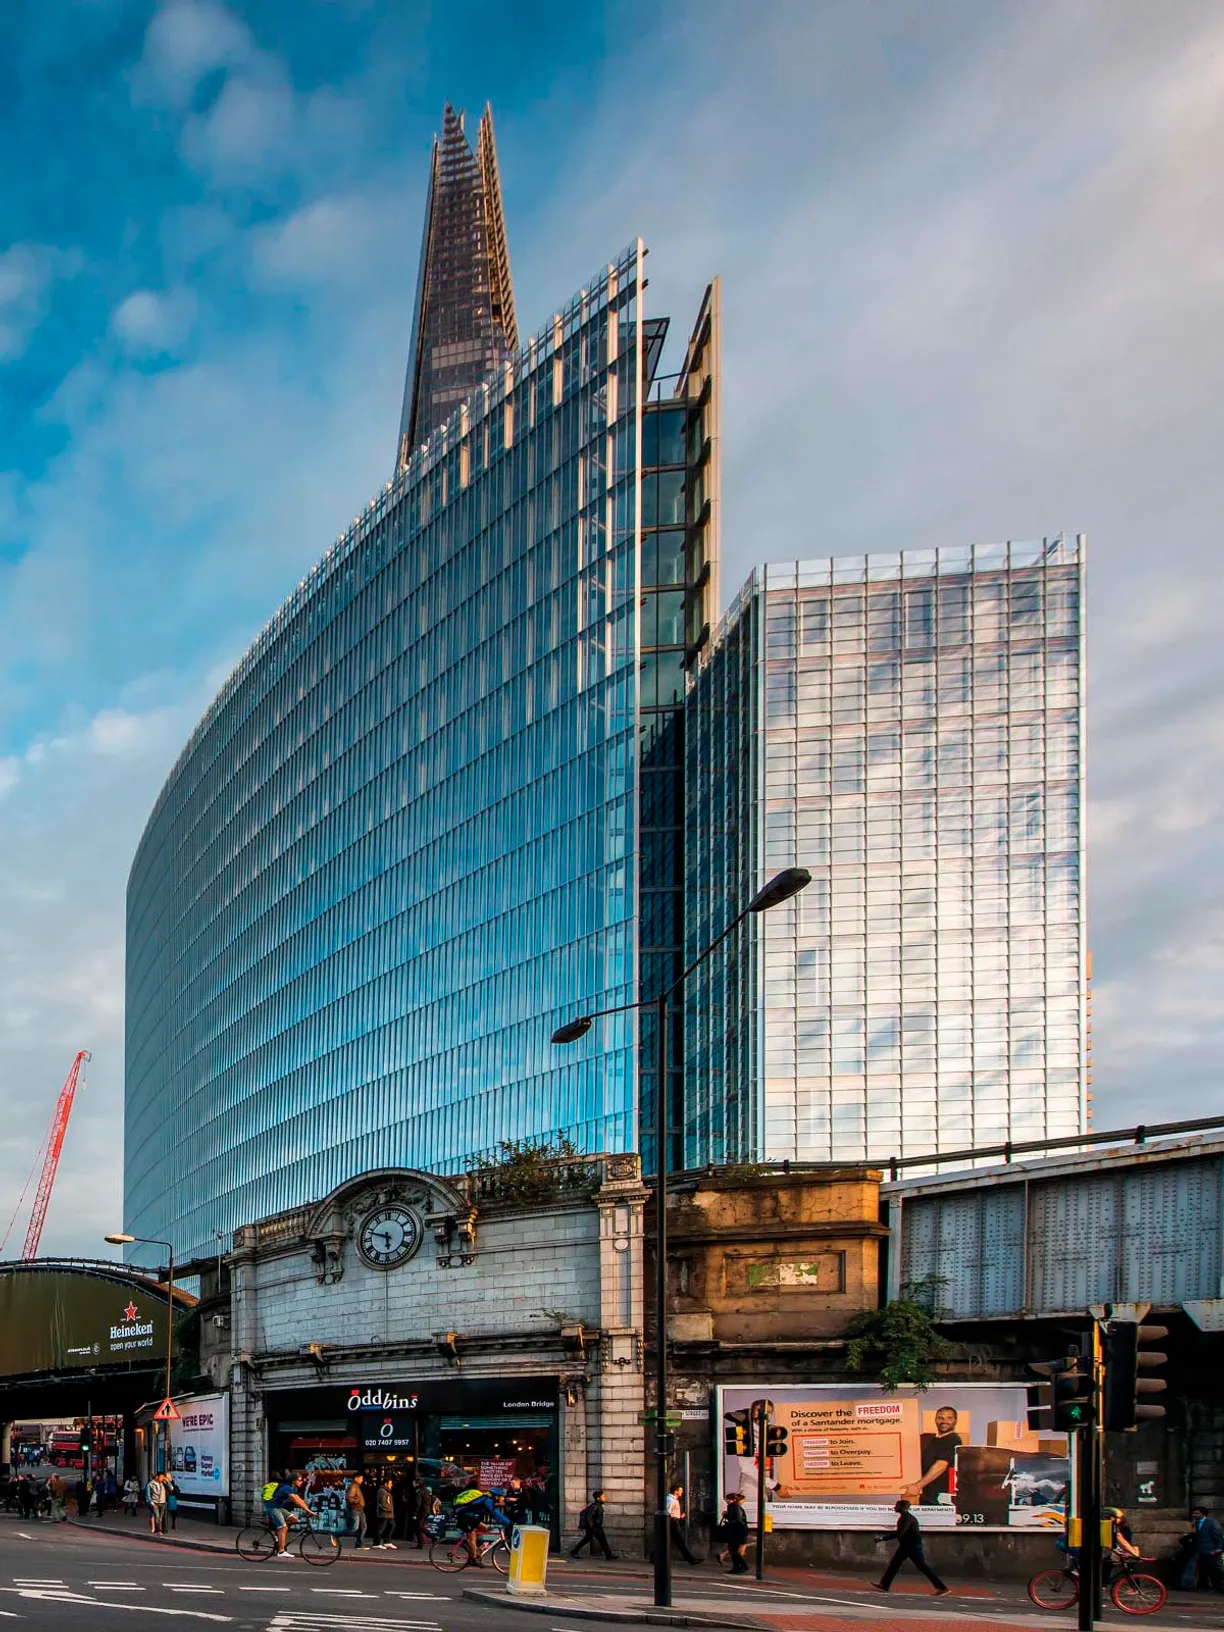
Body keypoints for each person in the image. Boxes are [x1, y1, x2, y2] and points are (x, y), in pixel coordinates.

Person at [872, 1499, 950, 1595]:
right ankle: (884, 1584)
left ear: (901, 1507)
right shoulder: (905, 1517)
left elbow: (900, 1533)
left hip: (912, 1547)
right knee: (894, 1564)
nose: (894, 1508)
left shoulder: (907, 1519)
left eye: (896, 1506)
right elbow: (900, 1533)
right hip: (906, 1546)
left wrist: (882, 1538)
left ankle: (942, 1588)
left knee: (922, 1567)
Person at [908, 1406, 963, 1506]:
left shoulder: (952, 1439)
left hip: (941, 1497)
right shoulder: (934, 1440)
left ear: (955, 1421)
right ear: (936, 1420)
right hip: (928, 1494)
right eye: (940, 1418)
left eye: (949, 1418)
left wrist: (918, 1486)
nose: (944, 1421)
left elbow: (940, 1466)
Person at [453, 1478, 512, 1564]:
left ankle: (477, 1549)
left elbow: (494, 1512)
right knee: (472, 1535)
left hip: (470, 1515)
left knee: (485, 1528)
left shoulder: (488, 1499)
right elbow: (495, 1513)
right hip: (463, 1515)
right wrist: (509, 1523)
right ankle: (472, 1560)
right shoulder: (487, 1500)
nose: (503, 1498)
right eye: (502, 1496)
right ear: (496, 1496)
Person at [264, 1472, 313, 1560]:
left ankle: (277, 1534)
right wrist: (309, 1511)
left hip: (278, 1508)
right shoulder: (286, 1488)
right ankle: (281, 1551)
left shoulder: (292, 1489)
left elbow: (300, 1500)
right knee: (284, 1527)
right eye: (300, 1480)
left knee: (294, 1519)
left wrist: (309, 1510)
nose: (302, 1482)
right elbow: (296, 1501)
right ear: (294, 1481)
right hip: (272, 1508)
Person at [1179, 1507, 1224, 1592]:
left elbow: (1219, 1536)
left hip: (1211, 1549)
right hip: (1199, 1549)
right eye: (1193, 1513)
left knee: (1217, 1568)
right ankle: (1189, 1585)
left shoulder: (1212, 1522)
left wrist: (1218, 1548)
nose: (1194, 1515)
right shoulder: (1195, 1522)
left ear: (1203, 1514)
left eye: (1197, 1513)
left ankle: (1219, 1585)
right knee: (1195, 1567)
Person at [570, 1490, 616, 1560]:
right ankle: (608, 1555)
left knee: (588, 1539)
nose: (605, 1498)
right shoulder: (595, 1506)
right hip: (595, 1527)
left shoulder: (598, 1506)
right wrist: (593, 1528)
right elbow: (589, 1517)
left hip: (594, 1527)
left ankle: (574, 1551)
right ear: (598, 1498)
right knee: (602, 1540)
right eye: (603, 1496)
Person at [666, 1484, 699, 1566]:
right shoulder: (671, 1500)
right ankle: (691, 1559)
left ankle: (653, 1558)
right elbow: (667, 1512)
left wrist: (679, 1516)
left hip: (674, 1521)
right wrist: (674, 1519)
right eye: (680, 1490)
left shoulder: (674, 1499)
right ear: (675, 1491)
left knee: (667, 1541)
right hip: (672, 1523)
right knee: (679, 1541)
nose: (682, 1492)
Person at [719, 1492, 750, 1575]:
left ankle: (743, 1566)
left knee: (734, 1550)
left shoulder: (736, 1508)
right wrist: (726, 1515)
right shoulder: (731, 1507)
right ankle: (736, 1567)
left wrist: (729, 1521)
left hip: (739, 1531)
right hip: (734, 1531)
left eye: (728, 1499)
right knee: (732, 1549)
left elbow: (738, 1521)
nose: (726, 1500)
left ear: (733, 1500)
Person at [345, 1474, 369, 1550]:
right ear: (356, 1478)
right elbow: (348, 1498)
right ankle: (337, 1534)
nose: (362, 1480)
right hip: (355, 1509)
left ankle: (359, 1544)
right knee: (354, 1527)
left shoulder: (356, 1486)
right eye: (361, 1478)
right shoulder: (353, 1487)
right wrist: (357, 1501)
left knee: (363, 1527)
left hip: (360, 1509)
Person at [374, 1478, 396, 1549]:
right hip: (384, 1513)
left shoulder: (387, 1491)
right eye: (390, 1483)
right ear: (386, 1484)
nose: (392, 1485)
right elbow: (382, 1503)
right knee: (381, 1528)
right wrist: (389, 1509)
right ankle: (376, 1543)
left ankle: (387, 1541)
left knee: (391, 1525)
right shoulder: (382, 1491)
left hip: (389, 1514)